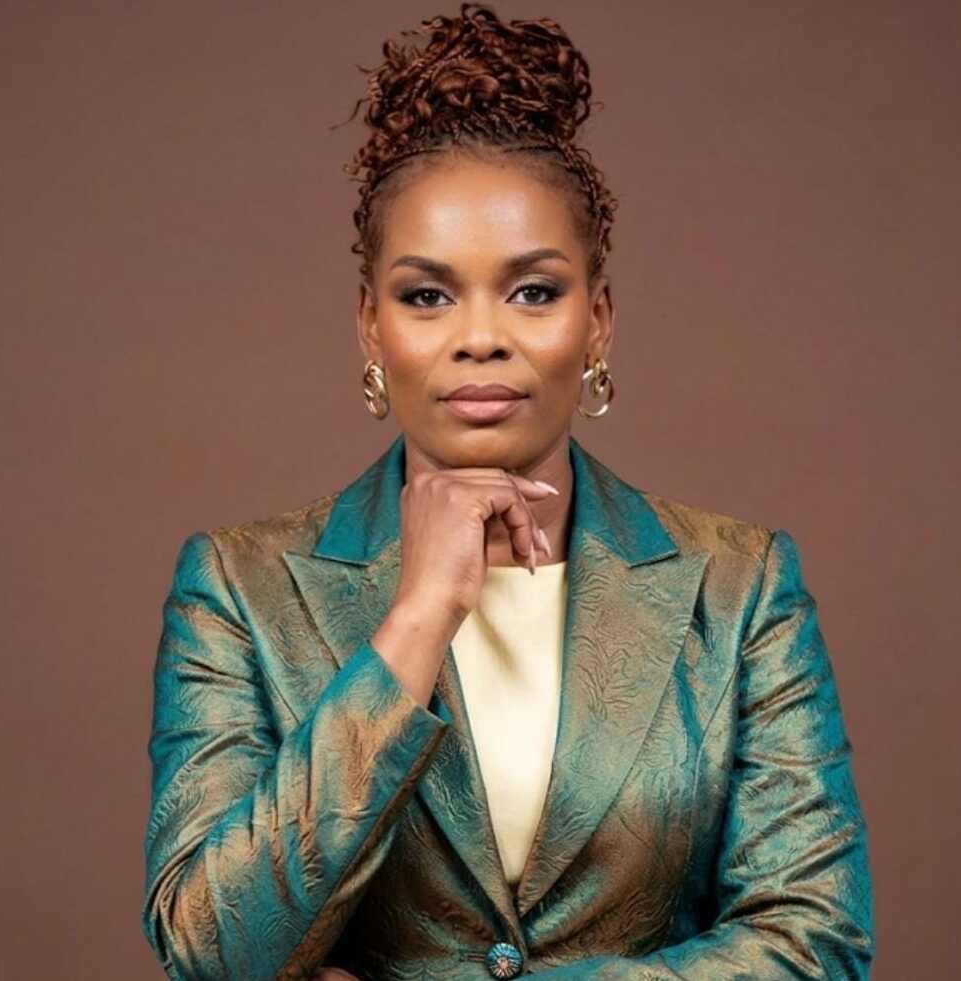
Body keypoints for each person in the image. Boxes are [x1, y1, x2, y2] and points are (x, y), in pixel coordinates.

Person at [140, 4, 875, 979]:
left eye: (532, 291)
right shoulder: (240, 588)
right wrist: (414, 625)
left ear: (597, 321)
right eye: (427, 295)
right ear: (370, 327)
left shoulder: (739, 588)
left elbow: (814, 942)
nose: (480, 337)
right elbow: (210, 951)